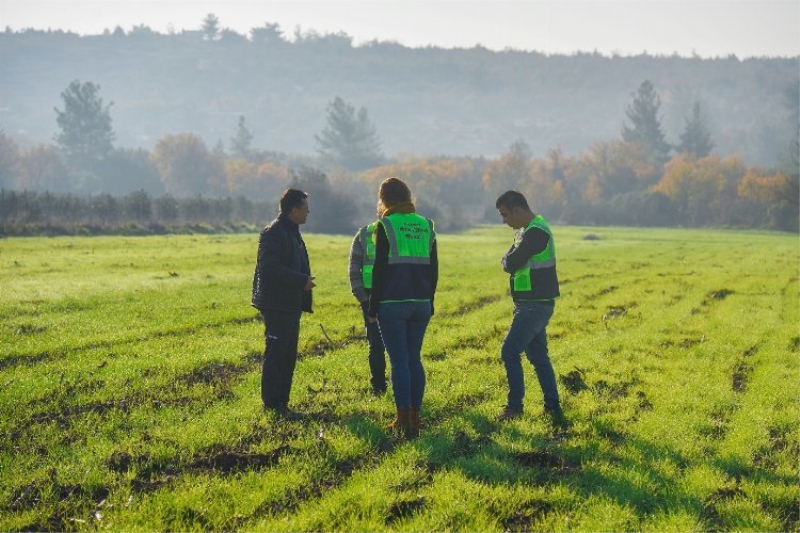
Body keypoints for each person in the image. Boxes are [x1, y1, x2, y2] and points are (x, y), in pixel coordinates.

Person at [368, 177, 438, 439]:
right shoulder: (426, 225)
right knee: (413, 358)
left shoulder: (385, 225)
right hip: (421, 304)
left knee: (398, 362)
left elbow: (380, 270)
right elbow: (434, 270)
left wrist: (373, 307)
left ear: (383, 199)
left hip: (392, 304)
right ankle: (416, 418)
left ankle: (403, 418)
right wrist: (429, 301)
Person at [495, 190, 565, 425]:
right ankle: (552, 408)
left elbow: (511, 262)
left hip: (534, 305)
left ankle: (515, 408)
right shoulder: (524, 231)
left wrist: (509, 261)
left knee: (509, 351)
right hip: (530, 303)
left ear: (517, 210)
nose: (505, 221)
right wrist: (509, 260)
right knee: (538, 356)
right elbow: (508, 261)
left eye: (505, 215)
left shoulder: (536, 232)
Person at [251, 189, 315, 415]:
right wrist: (301, 281)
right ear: (294, 209)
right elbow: (269, 268)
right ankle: (271, 404)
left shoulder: (292, 232)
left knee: (288, 356)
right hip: (277, 304)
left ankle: (282, 403)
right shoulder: (273, 233)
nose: (309, 211)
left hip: (291, 304)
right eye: (305, 207)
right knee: (276, 355)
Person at [349, 220, 388, 395]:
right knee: (377, 345)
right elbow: (354, 268)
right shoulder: (364, 234)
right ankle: (379, 387)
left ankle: (389, 388)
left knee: (379, 345)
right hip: (371, 296)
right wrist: (364, 299)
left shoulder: (365, 234)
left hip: (389, 295)